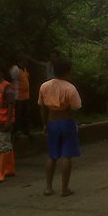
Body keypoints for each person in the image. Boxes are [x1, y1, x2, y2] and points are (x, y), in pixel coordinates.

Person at [38, 58, 82, 197]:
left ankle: (48, 187)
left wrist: (45, 123)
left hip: (52, 122)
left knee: (52, 156)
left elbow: (42, 107)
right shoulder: (70, 88)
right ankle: (64, 189)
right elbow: (76, 107)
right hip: (66, 121)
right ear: (68, 72)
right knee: (66, 155)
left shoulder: (44, 86)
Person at [10, 54, 32, 138]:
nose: (26, 62)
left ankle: (26, 130)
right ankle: (17, 131)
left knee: (26, 114)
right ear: (21, 61)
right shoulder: (15, 69)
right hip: (17, 96)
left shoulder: (24, 69)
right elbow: (11, 81)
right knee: (17, 114)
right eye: (25, 60)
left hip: (26, 96)